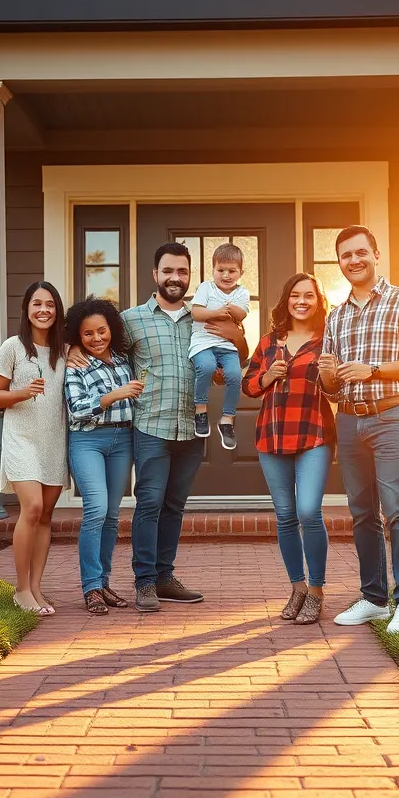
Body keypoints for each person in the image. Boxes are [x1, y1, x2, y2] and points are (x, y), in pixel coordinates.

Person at [68, 242, 247, 613]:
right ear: (155, 275)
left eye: (182, 272)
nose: (175, 278)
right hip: (150, 425)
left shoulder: (205, 317)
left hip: (192, 428)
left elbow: (236, 354)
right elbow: (97, 341)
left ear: (190, 277)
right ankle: (145, 582)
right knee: (149, 504)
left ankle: (165, 577)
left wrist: (232, 343)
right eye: (168, 271)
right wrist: (72, 347)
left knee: (175, 506)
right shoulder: (131, 320)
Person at [318, 225, 399, 635]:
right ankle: (373, 598)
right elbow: (329, 386)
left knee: (396, 510)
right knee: (362, 513)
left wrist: (374, 370)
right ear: (340, 263)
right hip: (348, 420)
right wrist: (329, 376)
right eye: (346, 255)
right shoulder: (337, 315)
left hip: (390, 417)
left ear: (376, 254)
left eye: (361, 252)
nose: (354, 260)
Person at [242, 273, 335, 625]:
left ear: (318, 301)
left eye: (309, 295)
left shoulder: (328, 340)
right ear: (287, 300)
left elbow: (336, 389)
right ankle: (297, 588)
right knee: (285, 515)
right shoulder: (270, 342)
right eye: (295, 294)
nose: (302, 301)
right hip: (273, 434)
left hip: (313, 434)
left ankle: (316, 590)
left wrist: (329, 375)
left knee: (309, 511)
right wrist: (267, 377)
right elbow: (249, 385)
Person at [0, 281, 69, 616]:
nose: (43, 311)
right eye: (37, 304)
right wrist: (23, 392)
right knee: (32, 508)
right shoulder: (12, 348)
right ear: (26, 309)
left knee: (46, 515)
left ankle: (36, 587)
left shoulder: (65, 351)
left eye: (50, 305)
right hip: (22, 438)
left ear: (57, 310)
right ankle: (21, 589)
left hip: (54, 438)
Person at [63, 297, 144, 616]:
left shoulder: (125, 359)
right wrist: (114, 395)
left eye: (101, 331)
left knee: (111, 515)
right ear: (77, 337)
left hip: (123, 439)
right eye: (87, 334)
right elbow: (77, 409)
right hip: (87, 441)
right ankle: (90, 587)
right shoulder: (76, 363)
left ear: (112, 329)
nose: (96, 338)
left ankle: (103, 583)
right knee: (95, 509)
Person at [189, 242, 250, 450]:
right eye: (220, 270)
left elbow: (241, 314)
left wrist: (228, 307)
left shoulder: (242, 293)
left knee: (234, 376)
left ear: (241, 272)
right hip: (203, 343)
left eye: (232, 271)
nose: (226, 275)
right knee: (205, 368)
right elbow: (197, 313)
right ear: (213, 270)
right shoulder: (206, 288)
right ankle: (200, 410)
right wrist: (217, 313)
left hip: (227, 346)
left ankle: (227, 419)